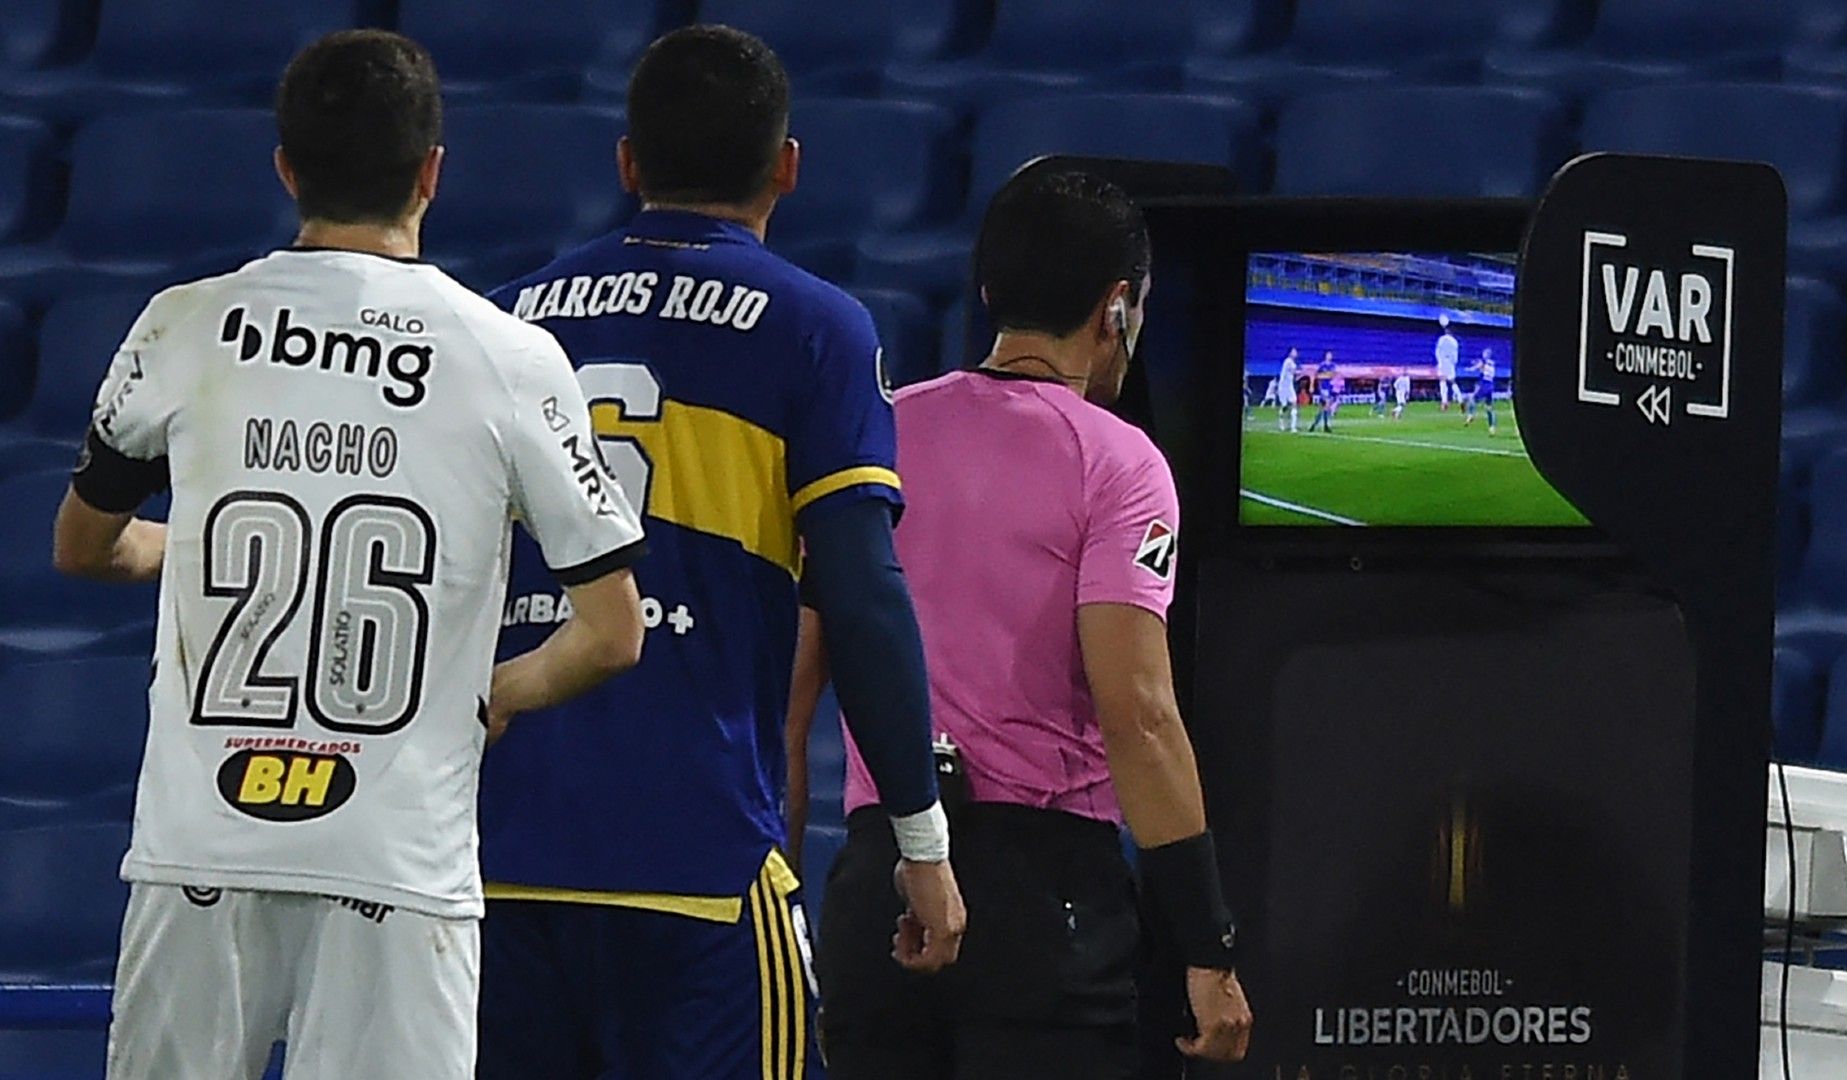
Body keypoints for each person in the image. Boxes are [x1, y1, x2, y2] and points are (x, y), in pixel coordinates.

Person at [51, 30, 649, 1079]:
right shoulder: (508, 357)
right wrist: (487, 692)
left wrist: (179, 554)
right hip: (396, 856)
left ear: (285, 167)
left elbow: (83, 546)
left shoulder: (181, 324)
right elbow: (612, 634)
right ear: (432, 172)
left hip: (200, 848)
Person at [476, 25, 964, 1080]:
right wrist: (921, 843)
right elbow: (865, 598)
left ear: (627, 163)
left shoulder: (504, 323)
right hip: (694, 856)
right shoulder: (815, 329)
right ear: (787, 167)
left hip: (497, 861)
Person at [792, 170, 1252, 1080]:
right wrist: (1209, 944)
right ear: (1118, 307)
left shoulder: (872, 434)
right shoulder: (1120, 464)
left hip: (876, 886)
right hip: (1043, 910)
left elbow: (789, 692)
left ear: (991, 291)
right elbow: (1142, 718)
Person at [1464, 347, 1500, 434]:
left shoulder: (1483, 362)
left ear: (1486, 355)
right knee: (1489, 408)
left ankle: (1471, 415)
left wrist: (1469, 369)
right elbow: (1483, 368)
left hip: (1484, 384)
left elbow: (1477, 367)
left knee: (1472, 399)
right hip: (1491, 385)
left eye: (1484, 353)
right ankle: (1492, 428)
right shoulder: (1492, 363)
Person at [1307, 350, 1338, 433]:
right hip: (1323, 388)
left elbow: (1334, 375)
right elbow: (1315, 375)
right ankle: (1325, 426)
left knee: (1322, 409)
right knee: (1327, 405)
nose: (1330, 356)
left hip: (1329, 388)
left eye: (1331, 354)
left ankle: (1314, 425)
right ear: (1325, 356)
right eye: (1328, 354)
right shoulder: (1322, 365)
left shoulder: (1333, 366)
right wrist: (1312, 385)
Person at [1434, 314, 1460, 411]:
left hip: (1443, 362)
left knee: (1442, 381)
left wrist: (1439, 362)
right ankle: (1460, 399)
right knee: (1452, 381)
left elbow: (1437, 351)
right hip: (1450, 363)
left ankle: (1444, 402)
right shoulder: (1454, 341)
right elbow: (1455, 354)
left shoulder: (1441, 339)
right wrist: (1454, 363)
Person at [1276, 346, 1300, 432]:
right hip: (1283, 386)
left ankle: (1293, 427)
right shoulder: (1288, 361)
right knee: (1285, 406)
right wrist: (1304, 372)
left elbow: (1294, 376)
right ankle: (1281, 423)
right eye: (1294, 351)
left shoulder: (1293, 363)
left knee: (1294, 403)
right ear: (1290, 353)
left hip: (1289, 386)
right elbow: (1293, 371)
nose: (1296, 353)